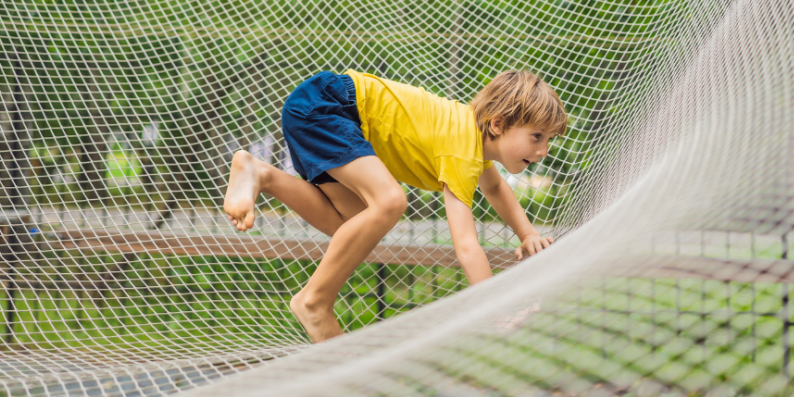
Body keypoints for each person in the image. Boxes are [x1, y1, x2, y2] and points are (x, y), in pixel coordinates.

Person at [223, 69, 567, 342]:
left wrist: (527, 233)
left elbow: (495, 189)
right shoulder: (462, 148)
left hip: (319, 109)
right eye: (536, 136)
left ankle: (262, 175)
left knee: (355, 225)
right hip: (328, 105)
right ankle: (315, 301)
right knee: (389, 201)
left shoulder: (471, 145)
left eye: (548, 140)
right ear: (497, 124)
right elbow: (466, 245)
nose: (543, 150)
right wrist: (495, 312)